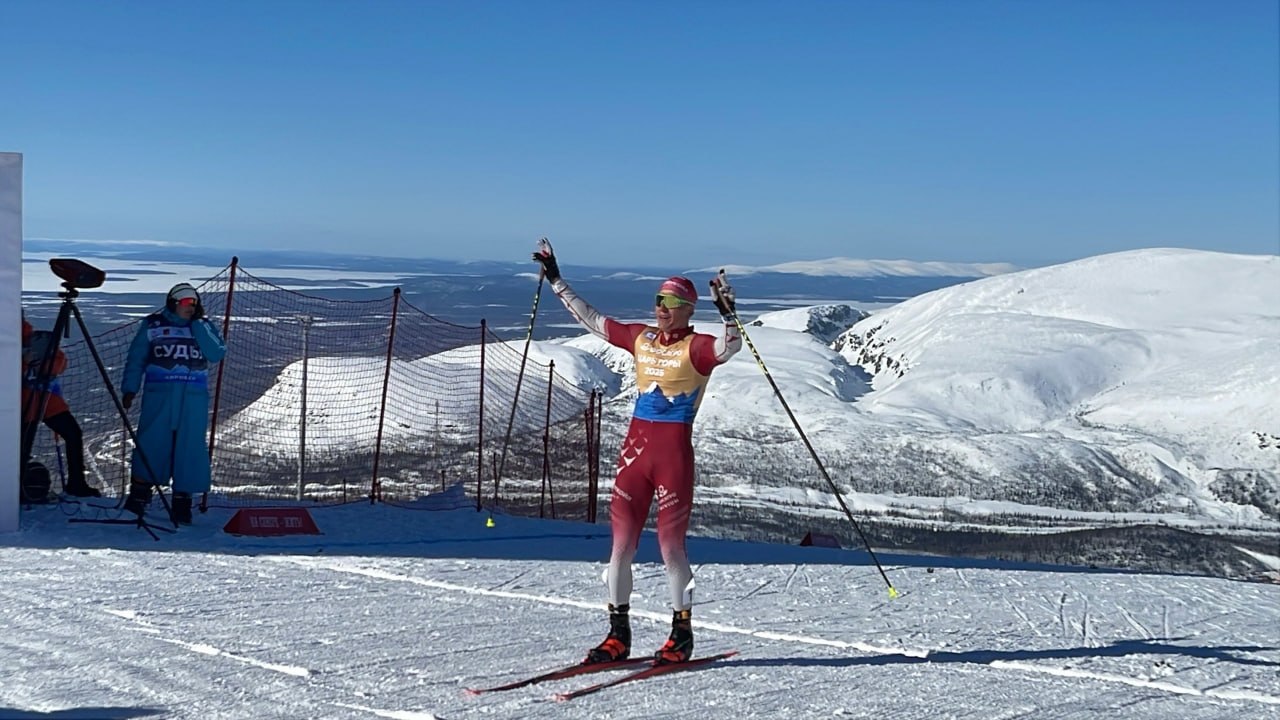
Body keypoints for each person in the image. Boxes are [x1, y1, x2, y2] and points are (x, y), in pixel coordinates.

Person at [533, 238, 742, 664]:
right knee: (620, 548)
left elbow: (730, 348)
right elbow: (593, 320)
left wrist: (728, 315)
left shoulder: (697, 346)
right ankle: (618, 635)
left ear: (688, 309)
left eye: (672, 302)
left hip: (672, 459)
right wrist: (556, 279)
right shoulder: (642, 339)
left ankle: (681, 635)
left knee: (671, 548)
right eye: (659, 299)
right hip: (634, 457)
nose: (662, 307)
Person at [120, 282, 226, 524]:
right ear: (173, 303)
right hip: (160, 396)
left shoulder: (203, 326)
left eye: (195, 303)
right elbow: (136, 359)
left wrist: (198, 325)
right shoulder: (153, 325)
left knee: (190, 446)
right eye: (186, 303)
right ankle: (139, 494)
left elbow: (217, 353)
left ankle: (182, 501)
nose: (191, 307)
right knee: (151, 442)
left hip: (193, 399)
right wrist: (130, 388)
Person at [20, 313, 101, 498]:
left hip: (37, 402)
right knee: (70, 435)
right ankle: (76, 484)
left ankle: (76, 483)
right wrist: (28, 364)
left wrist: (37, 366)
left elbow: (60, 362)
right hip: (38, 402)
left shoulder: (35, 340)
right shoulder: (34, 339)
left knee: (71, 434)